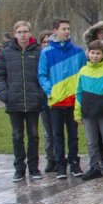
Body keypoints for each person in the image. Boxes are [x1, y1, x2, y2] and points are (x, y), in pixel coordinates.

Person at [0, 21, 46, 182]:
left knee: (33, 135)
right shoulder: (6, 52)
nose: (23, 35)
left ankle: (34, 168)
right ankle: (19, 169)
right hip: (14, 100)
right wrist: (4, 93)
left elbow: (44, 74)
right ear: (15, 34)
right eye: (19, 32)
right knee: (17, 136)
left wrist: (40, 94)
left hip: (32, 100)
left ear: (30, 33)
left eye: (25, 31)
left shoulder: (38, 52)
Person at [38, 18, 87, 178]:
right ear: (55, 31)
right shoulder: (46, 52)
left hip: (73, 100)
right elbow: (42, 75)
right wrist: (50, 91)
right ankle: (60, 165)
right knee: (57, 134)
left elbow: (83, 73)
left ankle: (74, 163)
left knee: (73, 134)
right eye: (63, 29)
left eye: (68, 29)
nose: (67, 31)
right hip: (56, 101)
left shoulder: (78, 51)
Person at [75, 40, 103, 181]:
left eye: (98, 53)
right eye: (92, 53)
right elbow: (78, 94)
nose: (95, 56)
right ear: (88, 54)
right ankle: (94, 167)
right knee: (91, 142)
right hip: (88, 113)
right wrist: (77, 113)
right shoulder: (83, 71)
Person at [82, 20, 103, 170]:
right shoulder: (85, 67)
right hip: (90, 106)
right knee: (92, 140)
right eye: (99, 33)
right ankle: (96, 164)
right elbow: (79, 91)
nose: (102, 35)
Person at [37, 29, 56, 172]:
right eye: (44, 42)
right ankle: (51, 158)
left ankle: (60, 156)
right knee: (47, 132)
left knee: (58, 131)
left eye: (49, 42)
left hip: (57, 98)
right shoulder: (38, 58)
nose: (46, 44)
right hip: (43, 100)